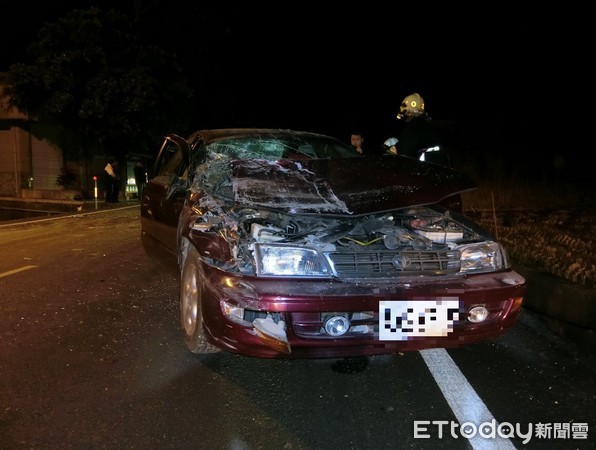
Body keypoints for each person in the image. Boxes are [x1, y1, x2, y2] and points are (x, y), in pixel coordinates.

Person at [395, 92, 450, 167]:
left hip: (419, 174)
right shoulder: (430, 128)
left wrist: (393, 148)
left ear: (408, 111)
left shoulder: (412, 129)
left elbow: (403, 156)